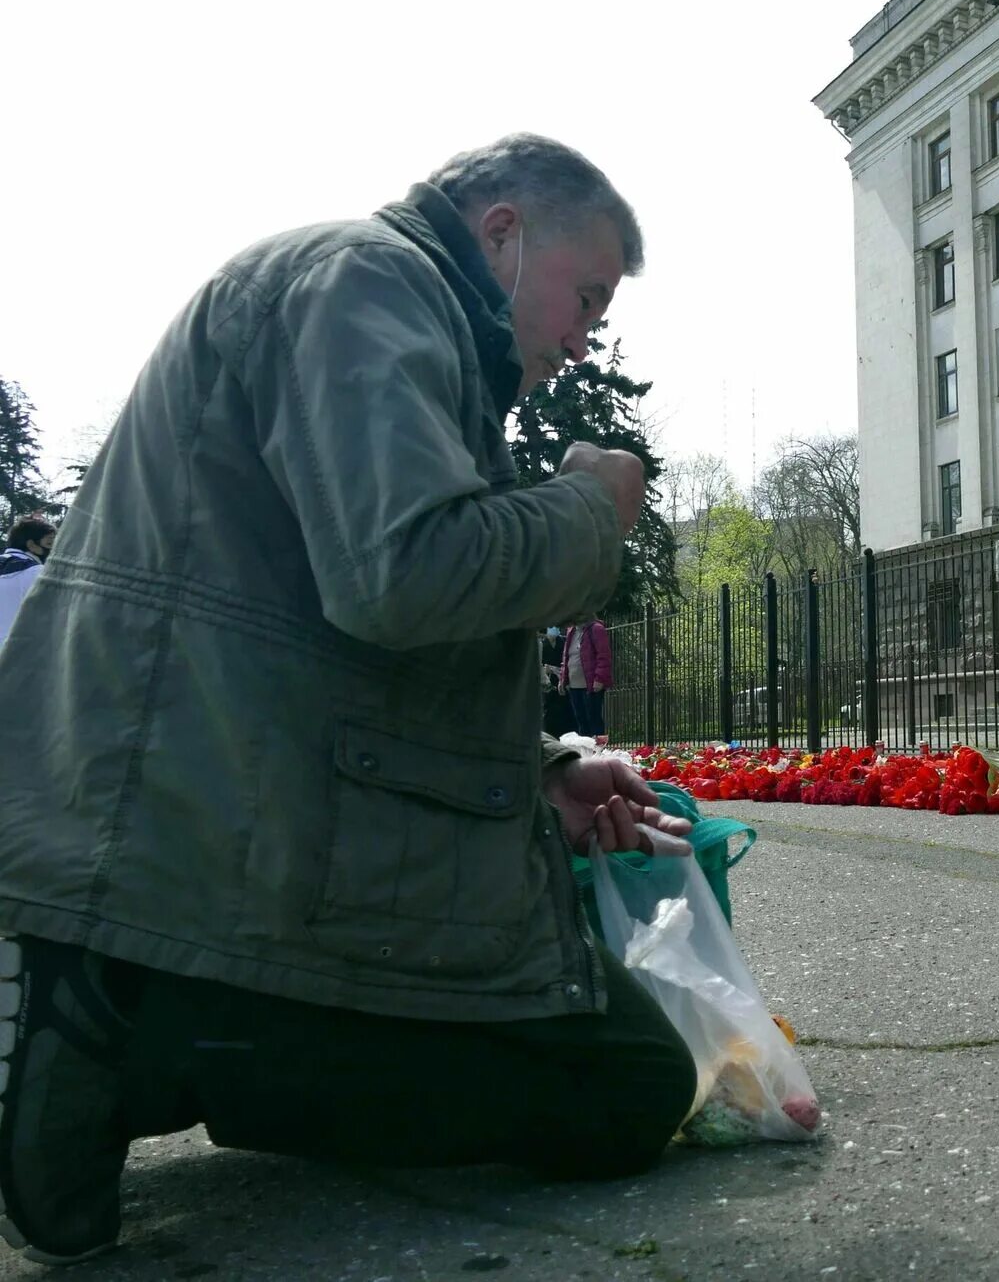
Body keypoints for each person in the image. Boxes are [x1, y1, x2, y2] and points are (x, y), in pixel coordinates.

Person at [0, 135, 700, 1266]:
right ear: (503, 233)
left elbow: (335, 638)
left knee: (625, 1083)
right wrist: (590, 508)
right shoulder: (365, 282)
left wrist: (541, 773)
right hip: (200, 839)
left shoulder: (393, 307)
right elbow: (404, 573)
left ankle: (153, 1030)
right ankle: (123, 1020)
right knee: (622, 1084)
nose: (583, 340)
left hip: (239, 813)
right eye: (586, 297)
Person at [0, 515, 55, 647]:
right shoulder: (40, 573)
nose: (53, 549)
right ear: (31, 545)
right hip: (18, 656)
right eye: (50, 543)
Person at [563, 614, 613, 738]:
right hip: (574, 685)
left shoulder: (596, 629)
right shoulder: (571, 631)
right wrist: (563, 679)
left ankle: (600, 751)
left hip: (590, 684)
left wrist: (599, 678)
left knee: (594, 719)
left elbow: (604, 655)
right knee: (581, 721)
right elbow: (566, 657)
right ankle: (586, 752)